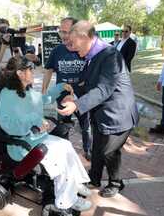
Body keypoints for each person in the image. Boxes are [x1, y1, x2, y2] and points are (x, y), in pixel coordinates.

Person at [0, 57, 92, 212]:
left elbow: (43, 100)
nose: (33, 72)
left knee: (66, 145)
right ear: (20, 73)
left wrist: (60, 87)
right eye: (30, 69)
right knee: (59, 159)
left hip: (35, 139)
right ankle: (64, 202)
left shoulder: (26, 91)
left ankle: (75, 183)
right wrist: (34, 120)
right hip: (20, 144)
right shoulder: (7, 96)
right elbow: (9, 125)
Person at [58, 21, 139, 198]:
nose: (70, 47)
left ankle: (116, 182)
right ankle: (94, 178)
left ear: (84, 37)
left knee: (109, 151)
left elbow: (104, 89)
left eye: (72, 42)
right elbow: (86, 82)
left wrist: (77, 105)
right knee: (97, 148)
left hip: (118, 115)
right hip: (102, 114)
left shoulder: (110, 55)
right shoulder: (92, 55)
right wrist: (74, 94)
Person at [42, 17, 92, 160]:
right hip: (62, 96)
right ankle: (65, 151)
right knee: (63, 125)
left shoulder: (84, 50)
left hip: (81, 97)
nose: (63, 35)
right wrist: (44, 90)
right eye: (60, 31)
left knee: (85, 125)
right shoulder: (57, 50)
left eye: (66, 31)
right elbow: (49, 70)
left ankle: (87, 149)